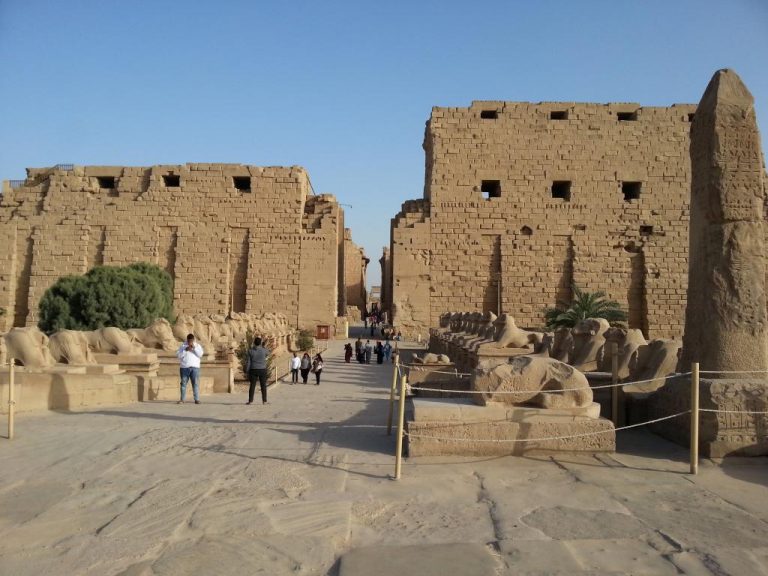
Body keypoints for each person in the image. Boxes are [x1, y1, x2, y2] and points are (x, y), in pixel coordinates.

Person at [176, 333, 204, 404]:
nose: (190, 342)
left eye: (191, 341)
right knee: (183, 384)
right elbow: (178, 356)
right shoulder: (183, 346)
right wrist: (185, 350)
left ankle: (197, 399)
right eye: (189, 341)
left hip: (195, 368)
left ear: (193, 340)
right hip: (184, 367)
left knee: (195, 384)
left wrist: (194, 348)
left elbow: (200, 355)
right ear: (187, 340)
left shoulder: (197, 346)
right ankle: (182, 399)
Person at [245, 337, 270, 405]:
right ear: (260, 343)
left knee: (252, 385)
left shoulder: (250, 351)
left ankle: (250, 401)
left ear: (254, 343)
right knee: (263, 385)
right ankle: (264, 401)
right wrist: (264, 346)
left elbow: (248, 362)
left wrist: (247, 370)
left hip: (253, 369)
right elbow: (268, 353)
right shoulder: (263, 350)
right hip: (262, 369)